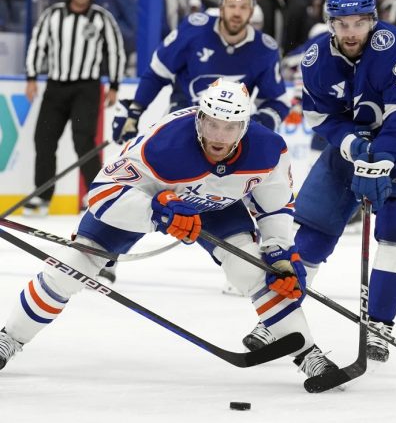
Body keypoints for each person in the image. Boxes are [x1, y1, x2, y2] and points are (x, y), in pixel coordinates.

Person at [0, 79, 339, 386]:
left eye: (230, 127)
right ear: (199, 119)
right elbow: (101, 194)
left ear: (245, 126)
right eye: (212, 124)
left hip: (217, 207)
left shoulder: (268, 150)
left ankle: (309, 355)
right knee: (71, 267)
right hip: (149, 198)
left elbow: (275, 207)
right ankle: (9, 337)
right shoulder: (162, 144)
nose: (219, 136)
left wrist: (280, 250)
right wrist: (158, 213)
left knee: (256, 270)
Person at [243, 0, 396, 364]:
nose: (351, 32)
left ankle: (379, 326)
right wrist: (355, 146)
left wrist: (381, 158)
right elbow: (322, 116)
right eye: (342, 23)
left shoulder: (394, 45)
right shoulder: (315, 59)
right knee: (315, 230)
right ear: (330, 23)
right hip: (354, 146)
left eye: (359, 22)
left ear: (372, 20)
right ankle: (279, 317)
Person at [113, 0, 290, 146]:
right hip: (183, 121)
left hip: (228, 135)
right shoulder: (193, 31)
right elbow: (158, 73)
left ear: (251, 11)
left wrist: (256, 127)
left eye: (244, 7)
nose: (237, 13)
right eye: (232, 6)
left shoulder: (264, 50)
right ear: (221, 7)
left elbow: (277, 102)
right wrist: (136, 109)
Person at [23, 0, 125, 217]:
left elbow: (115, 51)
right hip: (56, 87)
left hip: (86, 88)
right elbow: (37, 44)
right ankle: (43, 195)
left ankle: (94, 194)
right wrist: (32, 77)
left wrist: (113, 85)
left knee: (84, 141)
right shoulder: (52, 15)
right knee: (44, 139)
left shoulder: (101, 18)